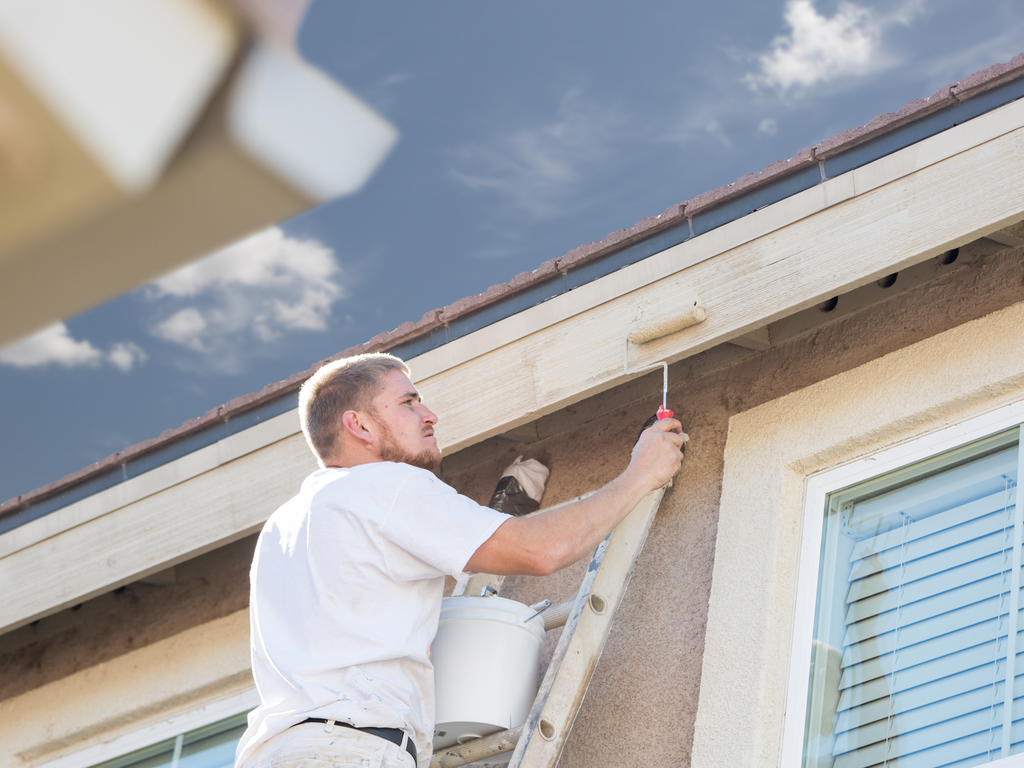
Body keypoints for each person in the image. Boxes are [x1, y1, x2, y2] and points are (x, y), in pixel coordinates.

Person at [235, 352, 687, 768]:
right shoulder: (384, 485)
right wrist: (640, 474)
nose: (429, 415)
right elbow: (540, 550)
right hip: (349, 750)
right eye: (409, 403)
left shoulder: (285, 525)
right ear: (360, 426)